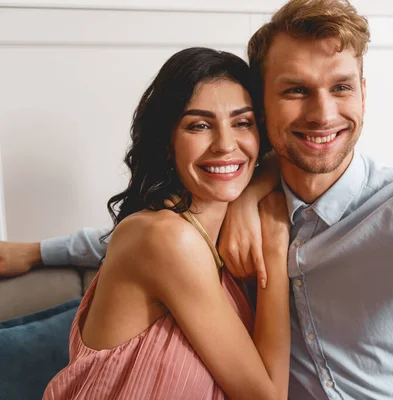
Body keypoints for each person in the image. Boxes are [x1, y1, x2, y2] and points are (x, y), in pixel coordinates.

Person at [2, 1, 393, 398]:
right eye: (295, 91)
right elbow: (147, 236)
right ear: (265, 107)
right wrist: (35, 249)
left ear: (364, 91)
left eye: (341, 87)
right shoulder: (222, 208)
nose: (323, 113)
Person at [41, 47, 292, 400]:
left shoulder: (202, 239)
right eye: (199, 125)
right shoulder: (168, 238)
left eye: (242, 122)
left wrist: (250, 197)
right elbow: (268, 397)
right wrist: (276, 245)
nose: (225, 144)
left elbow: (285, 154)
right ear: (166, 145)